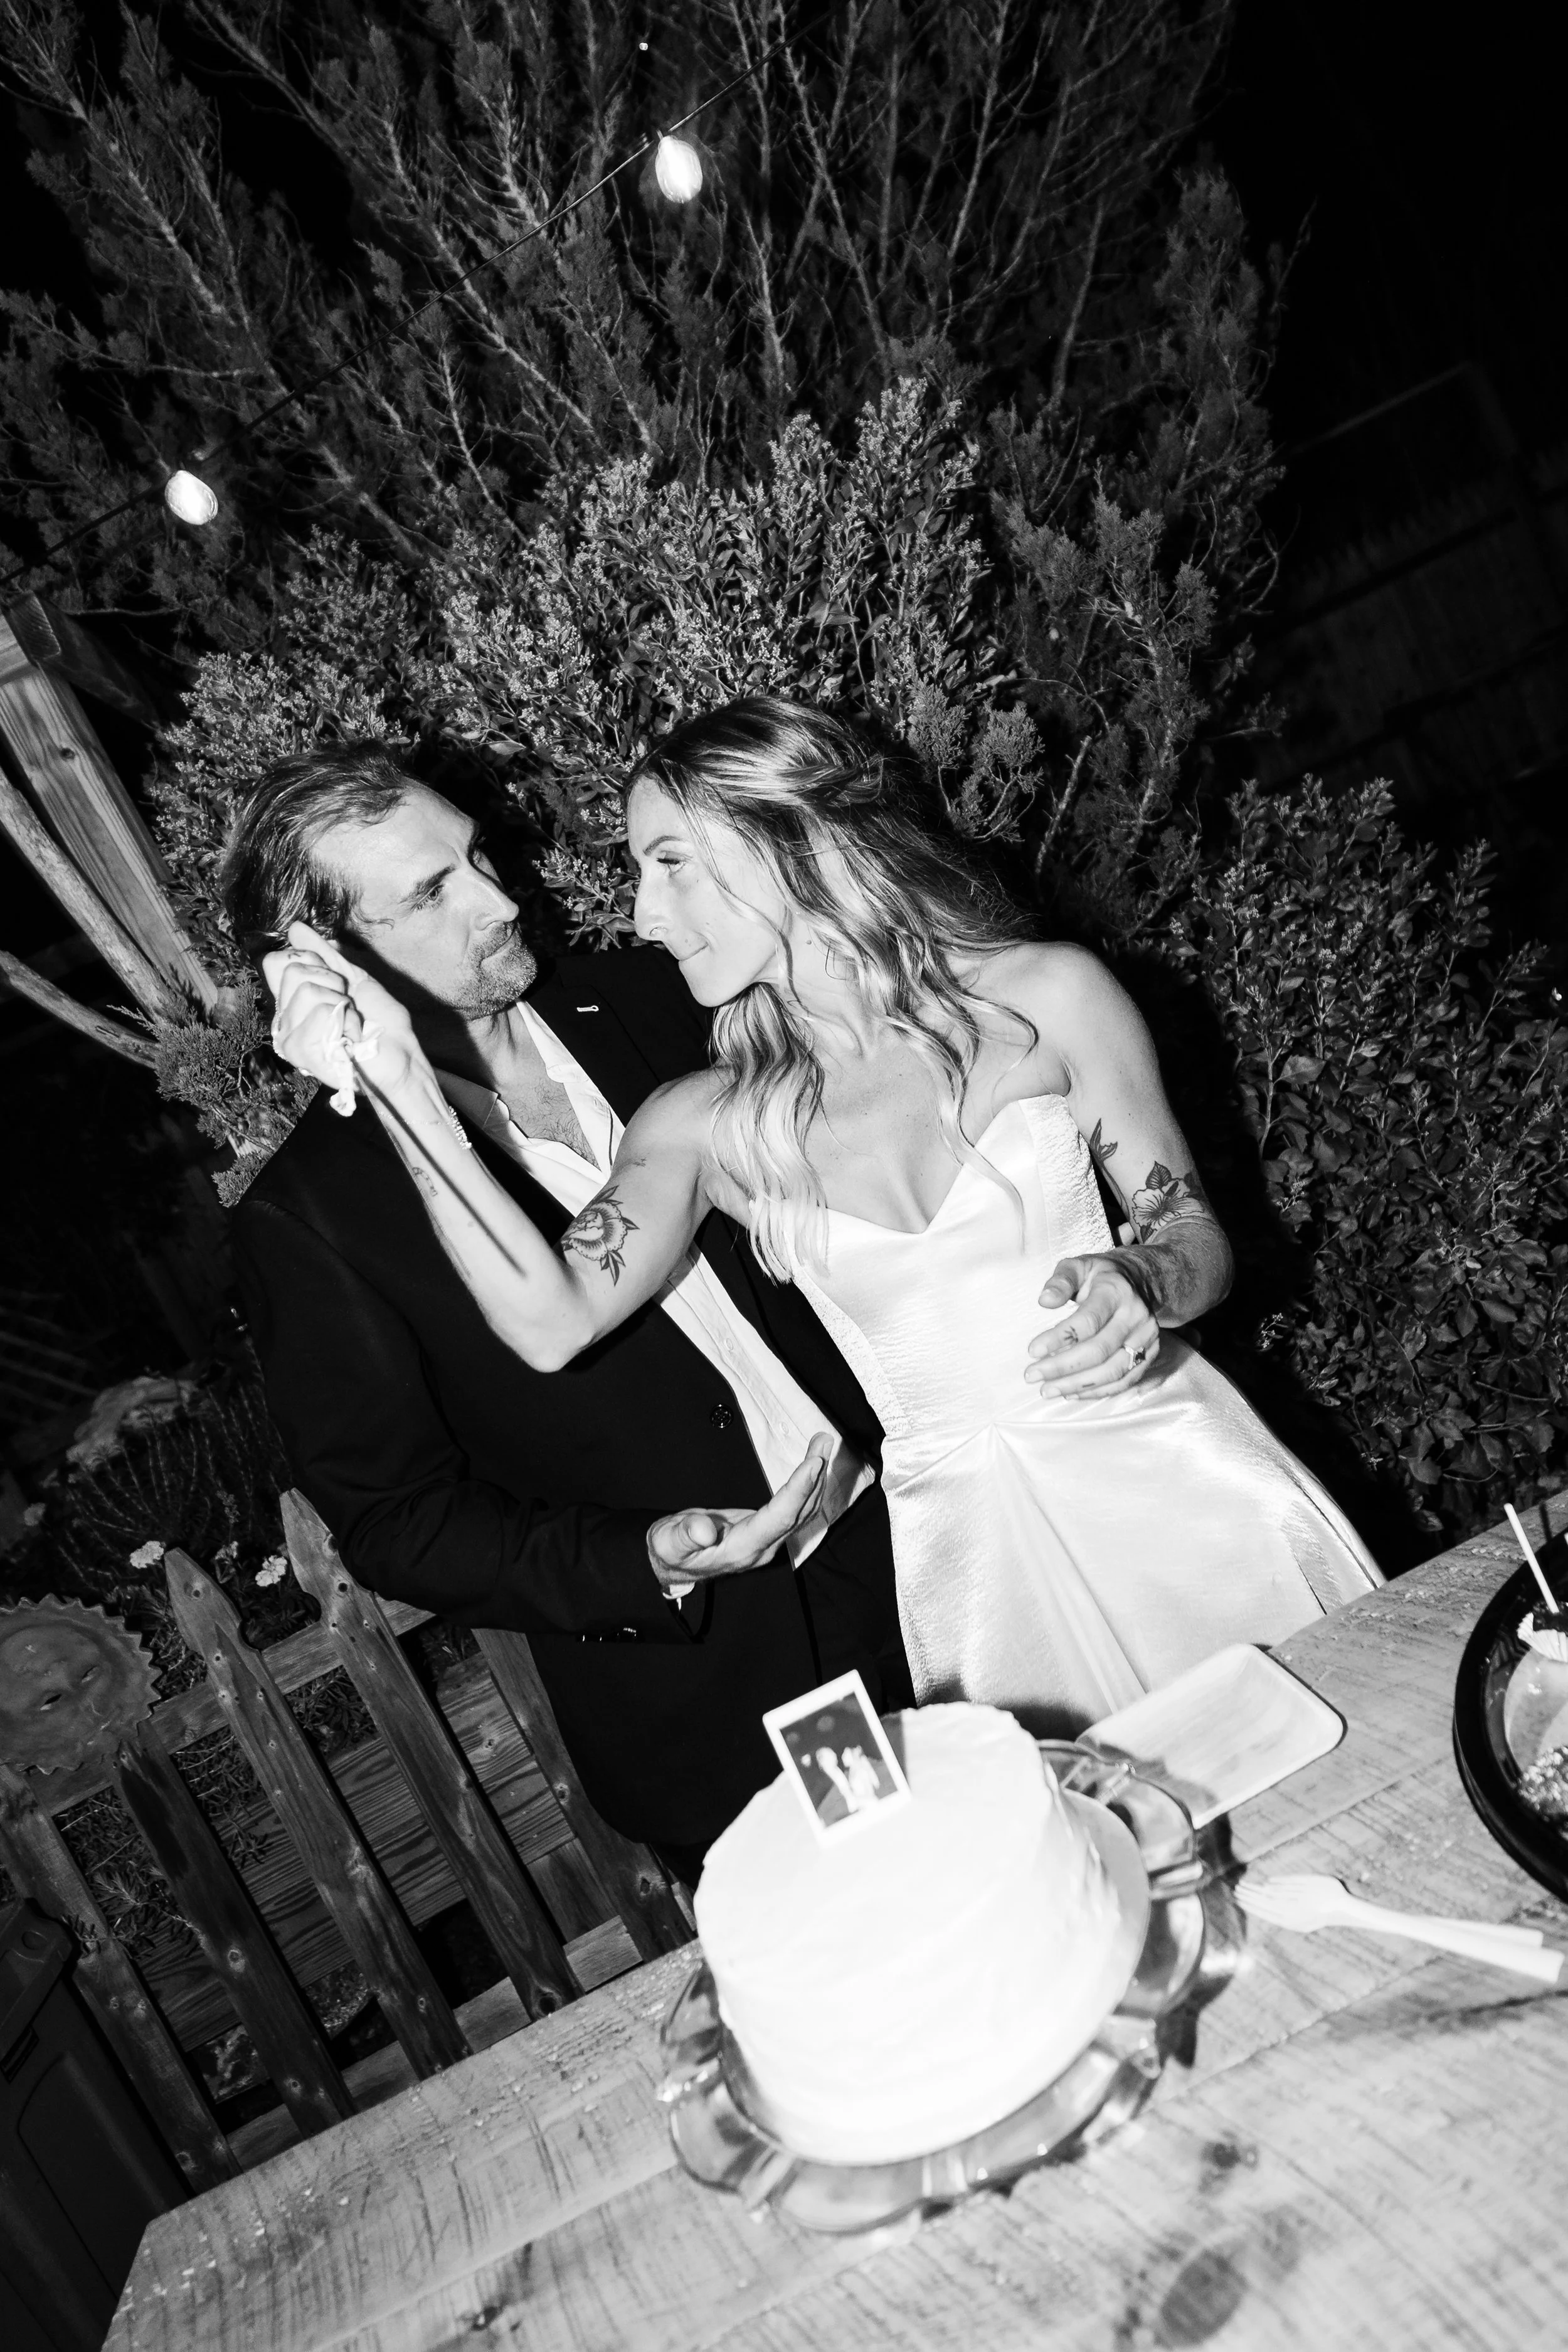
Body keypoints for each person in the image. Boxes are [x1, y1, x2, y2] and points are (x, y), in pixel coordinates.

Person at [266, 698, 1381, 1738]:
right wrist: (399, 1080)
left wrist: (1144, 1281)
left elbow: (1192, 1233)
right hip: (976, 1570)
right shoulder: (709, 1123)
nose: (641, 914)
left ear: (788, 844)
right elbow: (551, 1320)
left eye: (671, 867)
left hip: (1187, 1488)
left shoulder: (1049, 998)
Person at [220, 741, 912, 1883]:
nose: (499, 897)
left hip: (933, 1546)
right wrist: (639, 1558)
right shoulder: (314, 1216)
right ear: (315, 961)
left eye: (476, 856)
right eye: (434, 893)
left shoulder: (657, 1003)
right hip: (750, 1676)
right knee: (908, 1982)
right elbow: (398, 1519)